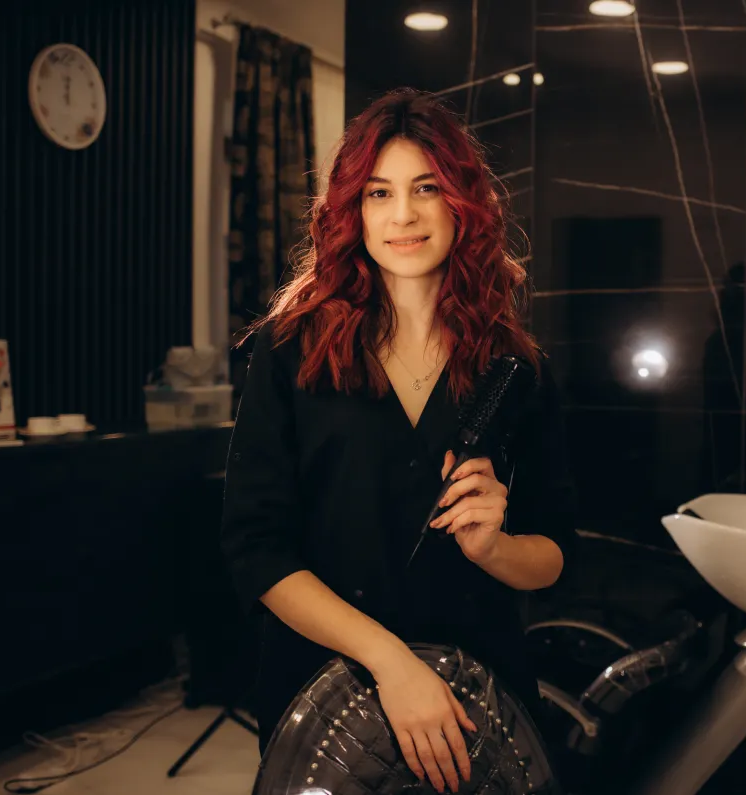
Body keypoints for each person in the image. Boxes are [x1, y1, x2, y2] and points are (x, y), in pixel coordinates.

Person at [219, 88, 578, 794]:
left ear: (461, 204)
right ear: (351, 211)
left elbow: (555, 555)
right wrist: (390, 662)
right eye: (378, 193)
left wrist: (493, 547)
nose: (403, 215)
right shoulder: (289, 352)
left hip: (480, 693)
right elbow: (255, 549)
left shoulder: (515, 367)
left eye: (425, 189)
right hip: (325, 687)